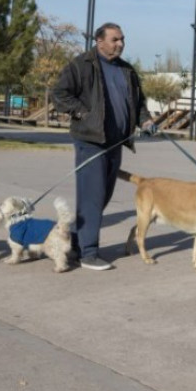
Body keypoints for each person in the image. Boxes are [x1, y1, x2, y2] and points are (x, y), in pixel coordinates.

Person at [53, 23, 155, 271]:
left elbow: (138, 101)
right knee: (92, 196)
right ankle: (88, 253)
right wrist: (82, 112)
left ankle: (73, 243)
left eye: (122, 40)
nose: (120, 44)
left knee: (102, 196)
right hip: (91, 141)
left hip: (116, 142)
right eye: (114, 40)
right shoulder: (82, 64)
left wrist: (145, 119)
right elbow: (60, 94)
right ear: (99, 41)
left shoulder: (127, 70)